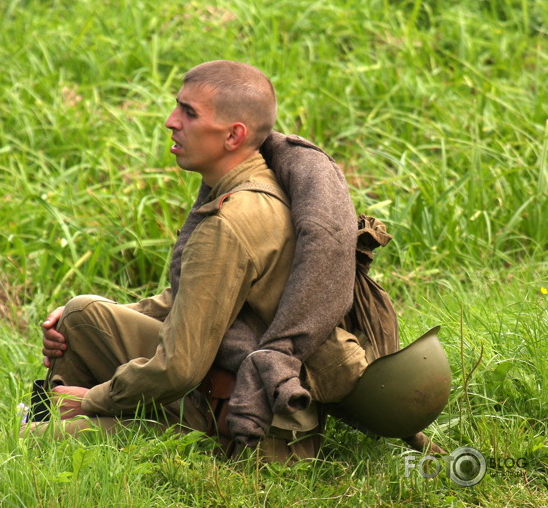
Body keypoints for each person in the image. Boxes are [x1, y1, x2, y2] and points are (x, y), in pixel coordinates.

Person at [31, 60, 436, 461]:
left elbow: (179, 370)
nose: (172, 121)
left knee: (32, 440)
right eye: (177, 106)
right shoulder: (266, 184)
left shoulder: (230, 222)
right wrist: (83, 313)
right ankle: (55, 412)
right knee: (81, 315)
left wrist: (94, 400)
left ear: (233, 135)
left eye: (188, 113)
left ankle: (54, 423)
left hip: (252, 429)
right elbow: (197, 301)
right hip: (246, 398)